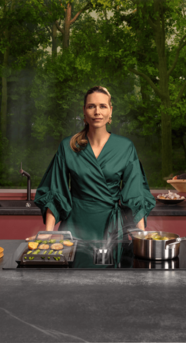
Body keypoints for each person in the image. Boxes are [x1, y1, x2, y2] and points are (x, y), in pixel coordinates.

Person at [34, 86, 156, 241]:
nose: (97, 112)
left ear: (110, 110)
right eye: (91, 106)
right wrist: (49, 232)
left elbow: (135, 194)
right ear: (84, 111)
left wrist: (141, 235)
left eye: (103, 106)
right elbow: (55, 191)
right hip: (74, 228)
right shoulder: (67, 146)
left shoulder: (126, 147)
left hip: (112, 230)